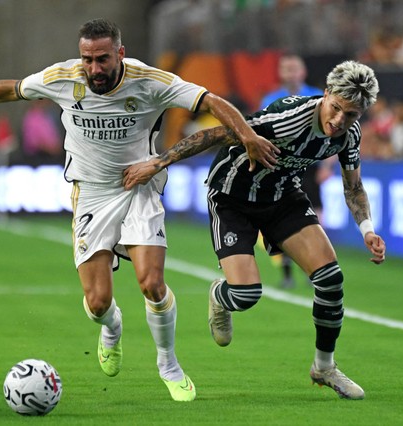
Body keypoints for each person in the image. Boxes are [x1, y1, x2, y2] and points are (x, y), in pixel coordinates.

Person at [0, 18, 277, 402]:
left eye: (102, 59)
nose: (94, 68)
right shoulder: (63, 77)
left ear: (120, 53)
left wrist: (248, 137)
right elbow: (14, 90)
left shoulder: (151, 81)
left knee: (151, 282)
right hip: (92, 194)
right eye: (88, 60)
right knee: (98, 302)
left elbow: (212, 101)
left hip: (140, 187)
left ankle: (168, 364)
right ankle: (111, 328)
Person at [123, 60, 386, 400]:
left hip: (282, 197)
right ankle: (221, 295)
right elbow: (214, 133)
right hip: (233, 198)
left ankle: (324, 367)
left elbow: (353, 187)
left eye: (350, 115)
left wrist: (367, 229)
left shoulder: (348, 135)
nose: (339, 121)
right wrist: (158, 162)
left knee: (331, 279)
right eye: (336, 108)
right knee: (246, 295)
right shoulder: (287, 118)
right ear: (325, 95)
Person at [260, 53, 326, 289]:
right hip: (281, 168)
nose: (290, 72)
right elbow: (262, 135)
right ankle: (287, 273)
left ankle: (317, 269)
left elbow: (333, 134)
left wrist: (327, 166)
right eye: (285, 68)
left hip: (310, 166)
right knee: (281, 219)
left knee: (316, 218)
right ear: (280, 73)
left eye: (294, 68)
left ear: (303, 71)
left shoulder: (318, 97)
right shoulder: (270, 99)